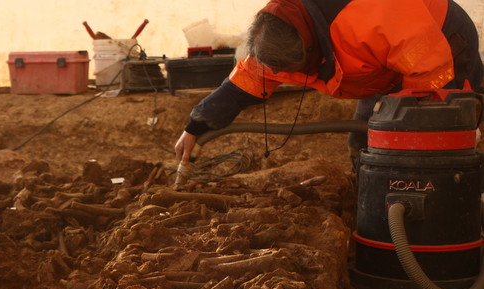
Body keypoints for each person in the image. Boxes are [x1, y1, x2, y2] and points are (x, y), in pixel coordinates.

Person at [174, 0, 484, 171]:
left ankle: (453, 214)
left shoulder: (372, 17)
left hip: (438, 41)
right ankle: (374, 211)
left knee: (437, 143)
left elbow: (429, 72)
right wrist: (196, 126)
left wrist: (429, 127)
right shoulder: (280, 33)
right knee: (365, 141)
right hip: (381, 64)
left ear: (313, 51)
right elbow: (244, 83)